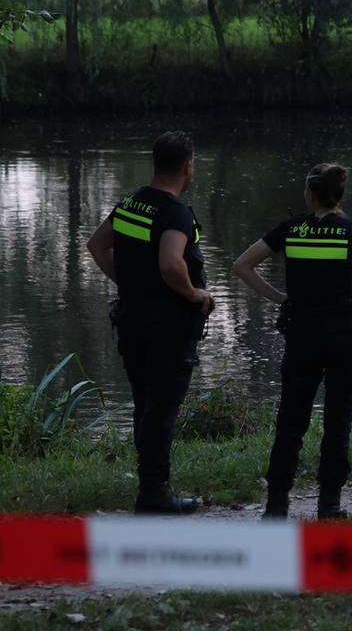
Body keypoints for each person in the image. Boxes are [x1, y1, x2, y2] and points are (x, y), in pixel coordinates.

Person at [232, 162, 352, 519]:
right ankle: (329, 506)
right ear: (338, 195)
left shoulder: (291, 229)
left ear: (311, 195)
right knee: (338, 419)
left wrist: (280, 298)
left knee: (291, 420)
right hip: (344, 335)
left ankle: (276, 506)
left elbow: (241, 266)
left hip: (301, 335)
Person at [86, 131, 212, 514]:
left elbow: (96, 245)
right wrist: (195, 295)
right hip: (168, 327)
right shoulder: (176, 213)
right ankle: (154, 494)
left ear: (155, 163)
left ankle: (150, 486)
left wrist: (127, 282)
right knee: (162, 408)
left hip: (131, 321)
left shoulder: (130, 204)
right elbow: (171, 263)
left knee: (146, 404)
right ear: (188, 167)